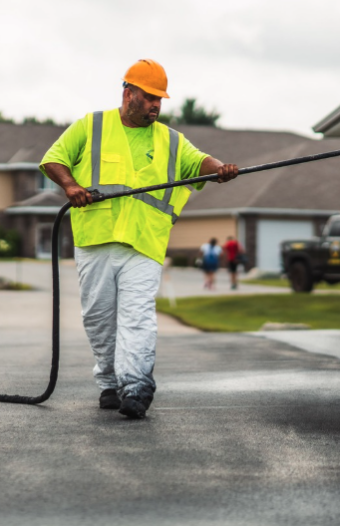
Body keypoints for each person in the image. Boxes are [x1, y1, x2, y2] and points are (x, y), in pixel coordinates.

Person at [40, 59, 238, 419]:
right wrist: (70, 185)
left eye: (159, 99)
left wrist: (220, 169)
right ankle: (109, 384)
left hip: (144, 244)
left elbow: (199, 162)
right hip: (95, 240)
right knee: (99, 318)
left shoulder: (169, 139)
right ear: (128, 93)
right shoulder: (92, 125)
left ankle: (136, 387)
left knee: (137, 316)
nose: (155, 106)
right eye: (149, 97)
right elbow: (54, 159)